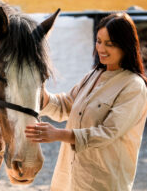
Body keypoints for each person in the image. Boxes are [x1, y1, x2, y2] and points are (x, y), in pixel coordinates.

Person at [25, 12, 147, 191]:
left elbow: (108, 132)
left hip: (102, 183)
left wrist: (59, 135)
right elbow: (65, 105)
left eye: (110, 44)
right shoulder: (92, 76)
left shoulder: (134, 86)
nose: (101, 49)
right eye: (99, 41)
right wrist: (36, 88)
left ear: (126, 46)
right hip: (68, 179)